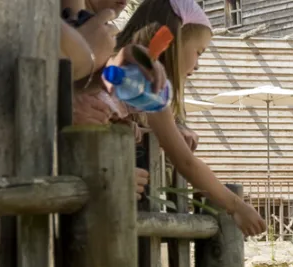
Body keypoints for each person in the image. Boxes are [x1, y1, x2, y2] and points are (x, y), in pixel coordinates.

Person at [83, 0, 265, 235]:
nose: (197, 65)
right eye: (198, 52)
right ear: (174, 42)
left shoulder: (110, 58)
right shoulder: (148, 81)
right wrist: (236, 206)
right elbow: (185, 161)